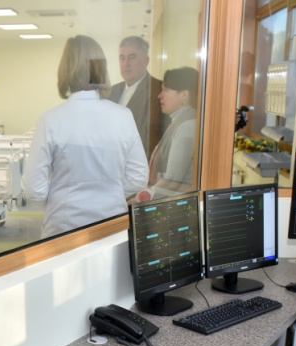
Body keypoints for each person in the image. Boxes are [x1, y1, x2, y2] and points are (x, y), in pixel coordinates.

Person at [23, 35, 148, 238]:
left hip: (64, 226)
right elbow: (138, 177)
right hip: (112, 222)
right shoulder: (123, 116)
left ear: (65, 70)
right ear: (101, 69)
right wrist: (110, 194)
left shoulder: (51, 120)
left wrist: (60, 200)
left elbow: (33, 188)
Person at [107, 36, 166, 158]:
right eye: (122, 58)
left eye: (132, 57)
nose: (126, 64)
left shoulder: (158, 90)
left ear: (146, 61)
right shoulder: (111, 91)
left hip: (140, 163)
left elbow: (151, 136)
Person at [147, 66, 199, 199]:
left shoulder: (187, 127)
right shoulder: (178, 122)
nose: (159, 96)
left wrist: (142, 198)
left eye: (165, 90)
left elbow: (171, 182)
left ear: (183, 95)